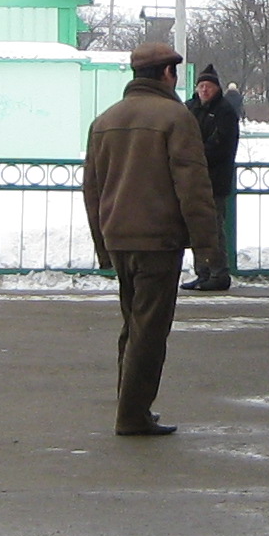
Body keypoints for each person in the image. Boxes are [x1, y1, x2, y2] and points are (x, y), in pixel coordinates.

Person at [78, 42, 222, 436]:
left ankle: (131, 405)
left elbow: (92, 189)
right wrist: (208, 248)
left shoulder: (105, 120)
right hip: (158, 241)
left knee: (132, 324)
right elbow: (193, 187)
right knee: (150, 330)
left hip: (119, 239)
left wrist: (103, 245)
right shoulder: (176, 118)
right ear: (167, 73)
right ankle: (132, 415)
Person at [188, 63, 243, 291]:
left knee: (213, 228)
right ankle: (202, 272)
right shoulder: (190, 108)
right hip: (191, 179)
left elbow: (221, 145)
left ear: (217, 88)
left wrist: (194, 155)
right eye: (201, 86)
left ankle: (219, 273)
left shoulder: (225, 112)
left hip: (214, 178)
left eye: (208, 86)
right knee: (195, 228)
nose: (204, 90)